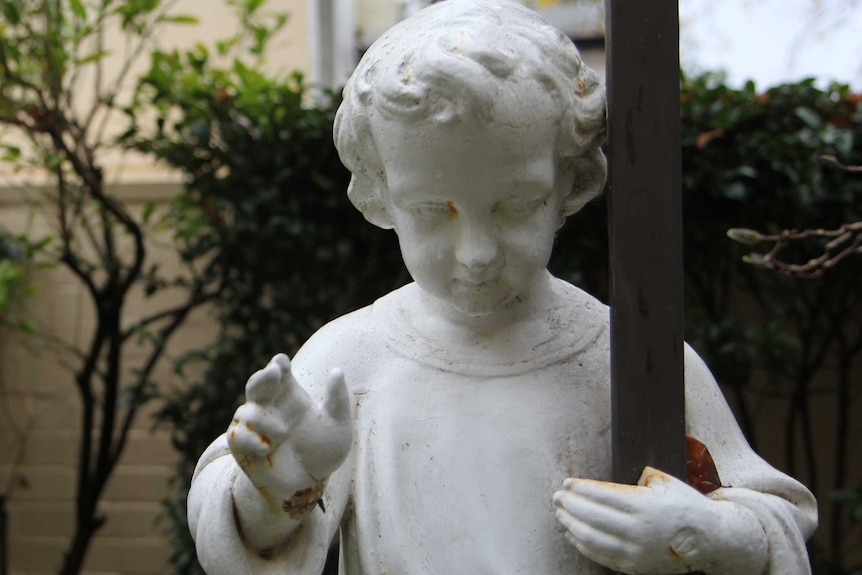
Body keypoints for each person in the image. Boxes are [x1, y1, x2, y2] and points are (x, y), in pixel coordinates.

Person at [187, 1, 817, 573]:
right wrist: (275, 495)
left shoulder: (628, 357)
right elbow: (237, 531)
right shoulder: (351, 362)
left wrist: (701, 532)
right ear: (379, 194)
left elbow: (773, 519)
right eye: (435, 211)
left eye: (516, 204)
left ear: (569, 182)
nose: (478, 253)